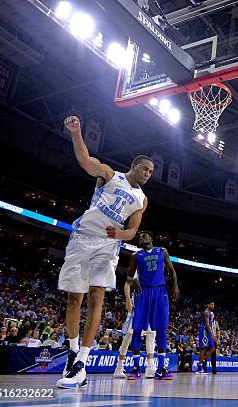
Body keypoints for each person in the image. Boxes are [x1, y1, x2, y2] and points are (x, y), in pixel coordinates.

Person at [56, 115, 153, 389]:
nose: (147, 174)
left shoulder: (142, 200)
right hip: (83, 237)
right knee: (75, 299)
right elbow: (85, 161)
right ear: (133, 167)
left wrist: (121, 235)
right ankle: (73, 350)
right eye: (144, 169)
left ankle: (82, 362)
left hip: (108, 246)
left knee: (97, 295)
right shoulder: (109, 174)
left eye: (150, 172)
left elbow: (133, 229)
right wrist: (76, 133)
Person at [127, 232, 180, 380]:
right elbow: (129, 275)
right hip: (143, 293)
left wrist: (175, 286)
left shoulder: (162, 251)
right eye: (140, 236)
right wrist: (133, 280)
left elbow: (171, 270)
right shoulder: (135, 256)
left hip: (160, 292)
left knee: (162, 329)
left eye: (145, 236)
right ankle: (136, 368)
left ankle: (161, 368)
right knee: (137, 329)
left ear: (151, 239)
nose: (142, 237)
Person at [113, 265, 157, 379]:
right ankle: (119, 367)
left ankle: (150, 366)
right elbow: (127, 284)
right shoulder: (137, 269)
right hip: (138, 306)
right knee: (128, 337)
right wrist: (128, 300)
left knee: (151, 334)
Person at [196, 301, 216, 374]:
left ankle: (200, 362)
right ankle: (199, 369)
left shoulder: (210, 312)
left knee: (212, 349)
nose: (213, 305)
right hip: (204, 331)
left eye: (213, 304)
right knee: (203, 349)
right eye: (211, 304)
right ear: (208, 305)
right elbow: (207, 325)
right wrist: (212, 334)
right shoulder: (206, 312)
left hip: (208, 332)